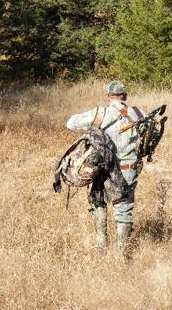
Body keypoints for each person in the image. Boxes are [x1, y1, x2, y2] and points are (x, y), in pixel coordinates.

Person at [66, 80, 145, 251]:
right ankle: (121, 252)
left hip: (103, 168)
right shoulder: (138, 113)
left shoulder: (100, 113)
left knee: (98, 200)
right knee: (123, 209)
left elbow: (70, 123)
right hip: (127, 169)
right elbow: (148, 139)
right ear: (125, 96)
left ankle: (101, 244)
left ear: (109, 97)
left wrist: (93, 125)